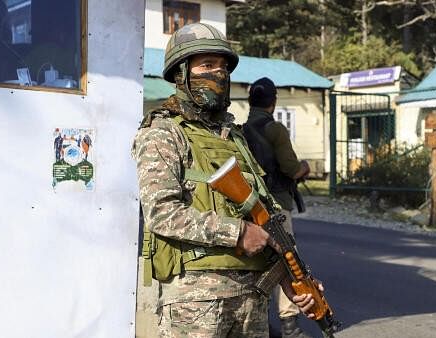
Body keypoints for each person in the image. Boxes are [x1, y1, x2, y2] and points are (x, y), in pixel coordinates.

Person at [132, 23, 319, 338]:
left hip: (252, 300)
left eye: (222, 68)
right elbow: (161, 213)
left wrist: (295, 274)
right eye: (207, 65)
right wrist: (238, 232)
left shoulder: (234, 136)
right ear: (182, 72)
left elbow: (267, 213)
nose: (218, 74)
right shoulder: (163, 132)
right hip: (196, 303)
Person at [243, 77, 312, 338]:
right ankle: (290, 326)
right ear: (273, 102)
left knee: (258, 263)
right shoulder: (276, 130)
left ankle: (260, 321)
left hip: (250, 205)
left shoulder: (241, 130)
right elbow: (291, 169)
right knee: (287, 262)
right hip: (277, 206)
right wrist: (305, 167)